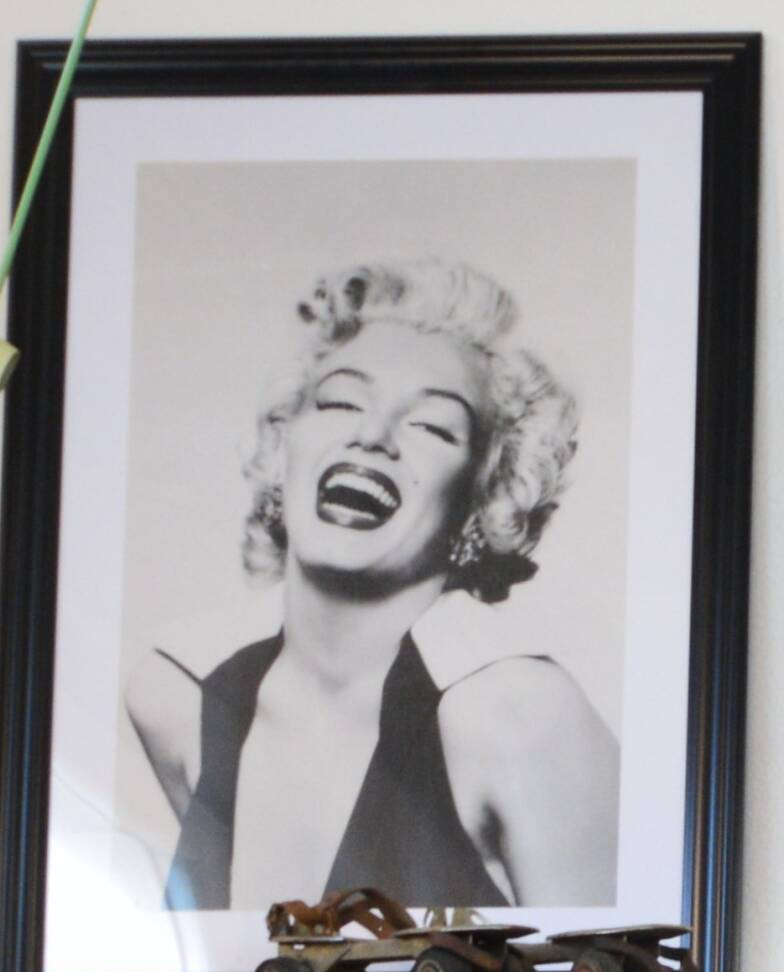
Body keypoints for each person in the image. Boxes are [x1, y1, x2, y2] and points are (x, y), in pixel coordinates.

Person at [131, 258, 618, 928]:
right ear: (282, 451)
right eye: (339, 401)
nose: (371, 436)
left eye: (431, 426)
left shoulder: (523, 722)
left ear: (484, 499)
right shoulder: (174, 705)